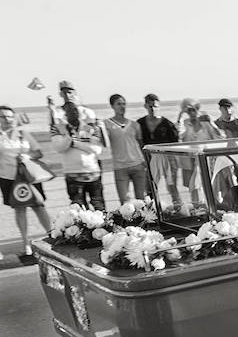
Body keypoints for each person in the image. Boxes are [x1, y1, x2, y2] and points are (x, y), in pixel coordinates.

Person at [0, 105, 51, 262]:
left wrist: (27, 156)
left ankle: (53, 235)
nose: (7, 119)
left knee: (39, 206)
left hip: (28, 176)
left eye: (9, 116)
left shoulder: (23, 133)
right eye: (3, 117)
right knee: (19, 209)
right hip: (8, 177)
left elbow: (38, 152)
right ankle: (25, 244)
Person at [50, 80, 105, 211]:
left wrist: (74, 142)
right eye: (64, 92)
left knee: (99, 208)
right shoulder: (57, 116)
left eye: (70, 91)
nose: (67, 95)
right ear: (60, 94)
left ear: (75, 92)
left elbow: (96, 149)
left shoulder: (88, 114)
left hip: (92, 170)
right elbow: (58, 147)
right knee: (79, 211)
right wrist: (69, 137)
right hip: (71, 171)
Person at [104, 94, 147, 203]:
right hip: (120, 167)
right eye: (119, 104)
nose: (122, 107)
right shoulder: (106, 124)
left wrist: (145, 163)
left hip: (138, 165)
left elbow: (141, 145)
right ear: (112, 106)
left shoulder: (135, 124)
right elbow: (102, 143)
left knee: (141, 200)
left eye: (124, 104)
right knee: (125, 202)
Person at [137, 93, 180, 200]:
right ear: (145, 106)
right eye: (150, 106)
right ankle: (152, 212)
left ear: (159, 106)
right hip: (150, 158)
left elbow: (175, 143)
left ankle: (179, 209)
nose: (153, 109)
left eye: (155, 106)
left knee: (172, 187)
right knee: (150, 188)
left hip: (167, 158)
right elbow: (138, 143)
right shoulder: (140, 123)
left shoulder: (167, 124)